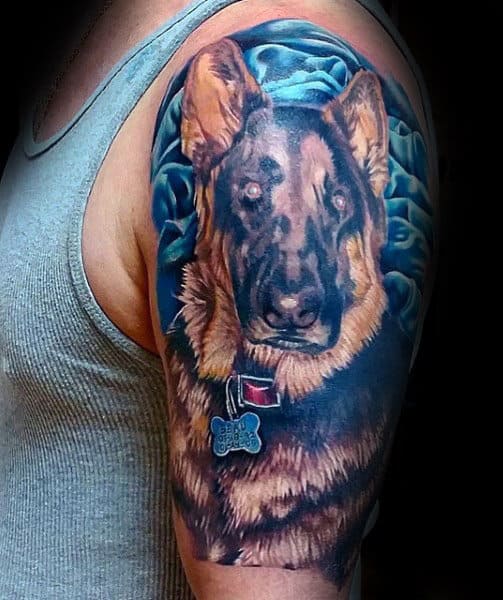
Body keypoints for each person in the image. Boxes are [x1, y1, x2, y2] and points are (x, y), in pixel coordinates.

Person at [0, 0, 437, 598]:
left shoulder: (283, 24)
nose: (292, 293)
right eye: (254, 198)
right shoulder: (99, 33)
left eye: (331, 207)